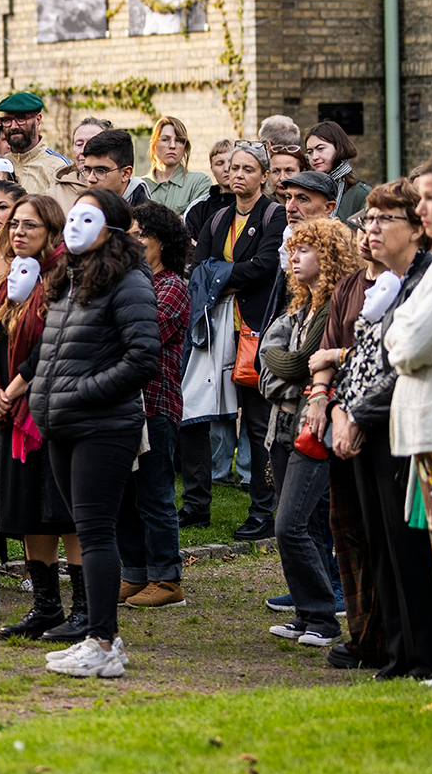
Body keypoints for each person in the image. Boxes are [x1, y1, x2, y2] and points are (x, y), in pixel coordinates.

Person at [28, 189, 163, 678]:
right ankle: (99, 637)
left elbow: (143, 357)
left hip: (103, 425)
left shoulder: (128, 280)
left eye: (89, 216)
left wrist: (83, 392)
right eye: (73, 216)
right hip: (62, 422)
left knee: (96, 532)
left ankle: (103, 643)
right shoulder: (68, 277)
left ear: (112, 227)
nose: (73, 227)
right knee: (88, 528)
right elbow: (55, 349)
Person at [329, 181, 432, 677]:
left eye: (383, 220)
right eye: (367, 219)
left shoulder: (425, 281)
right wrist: (338, 409)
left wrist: (355, 415)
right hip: (368, 426)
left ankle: (423, 656)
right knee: (380, 546)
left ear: (416, 229)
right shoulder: (383, 284)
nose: (370, 230)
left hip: (401, 425)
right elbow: (358, 360)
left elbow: (398, 366)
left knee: (408, 549)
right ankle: (396, 653)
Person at [0, 195, 81, 640]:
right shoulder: (5, 284)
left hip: (47, 413)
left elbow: (51, 350)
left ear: (53, 233)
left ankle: (83, 611)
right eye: (15, 225)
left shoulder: (64, 282)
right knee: (28, 513)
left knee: (65, 513)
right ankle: (46, 607)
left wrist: (11, 391)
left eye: (30, 226)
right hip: (7, 414)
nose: (18, 232)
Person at [257, 216, 358, 648]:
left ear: (329, 255)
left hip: (312, 426)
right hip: (282, 426)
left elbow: (297, 366)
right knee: (305, 525)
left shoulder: (335, 305)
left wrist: (283, 361)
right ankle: (308, 613)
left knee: (290, 524)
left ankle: (323, 616)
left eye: (305, 249)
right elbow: (268, 362)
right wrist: (280, 361)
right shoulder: (302, 306)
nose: (293, 257)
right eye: (292, 249)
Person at [189, 141, 286, 540]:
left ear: (264, 175)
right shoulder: (218, 217)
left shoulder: (273, 215)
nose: (239, 174)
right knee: (196, 412)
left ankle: (264, 510)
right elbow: (199, 267)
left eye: (248, 168)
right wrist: (224, 275)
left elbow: (264, 266)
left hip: (254, 329)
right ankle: (196, 504)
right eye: (233, 168)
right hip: (216, 329)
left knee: (258, 421)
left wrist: (220, 276)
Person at [385, 155, 432, 686]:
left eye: (430, 198)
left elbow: (409, 345)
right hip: (423, 430)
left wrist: (399, 333)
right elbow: (400, 332)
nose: (421, 208)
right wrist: (400, 332)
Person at [119, 202, 193, 608]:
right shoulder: (129, 282)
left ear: (162, 242)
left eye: (139, 235)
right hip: (123, 407)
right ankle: (135, 573)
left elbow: (140, 335)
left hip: (155, 405)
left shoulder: (172, 287)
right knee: (125, 497)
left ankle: (167, 579)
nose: (131, 242)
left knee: (154, 494)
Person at [0, 92, 70, 201]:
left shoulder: (58, 168)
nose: (13, 126)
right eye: (7, 120)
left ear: (38, 119)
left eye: (21, 118)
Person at [141, 116, 212, 212]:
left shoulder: (198, 183)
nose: (172, 146)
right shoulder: (140, 186)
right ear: (153, 145)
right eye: (165, 139)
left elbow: (197, 223)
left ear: (185, 147)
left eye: (178, 140)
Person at [303, 121, 371, 221]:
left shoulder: (361, 194)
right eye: (310, 152)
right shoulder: (308, 190)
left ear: (339, 148)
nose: (314, 157)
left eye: (320, 149)